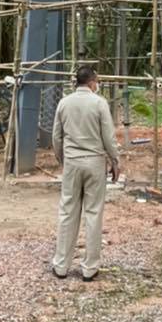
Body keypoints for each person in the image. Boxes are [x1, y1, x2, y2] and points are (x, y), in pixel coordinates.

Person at [51, 65, 120, 282]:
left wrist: (62, 159)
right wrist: (115, 160)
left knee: (67, 211)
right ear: (92, 82)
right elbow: (108, 136)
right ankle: (89, 268)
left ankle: (61, 265)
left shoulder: (64, 103)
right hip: (95, 162)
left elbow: (56, 136)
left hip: (72, 161)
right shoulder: (99, 103)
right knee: (93, 213)